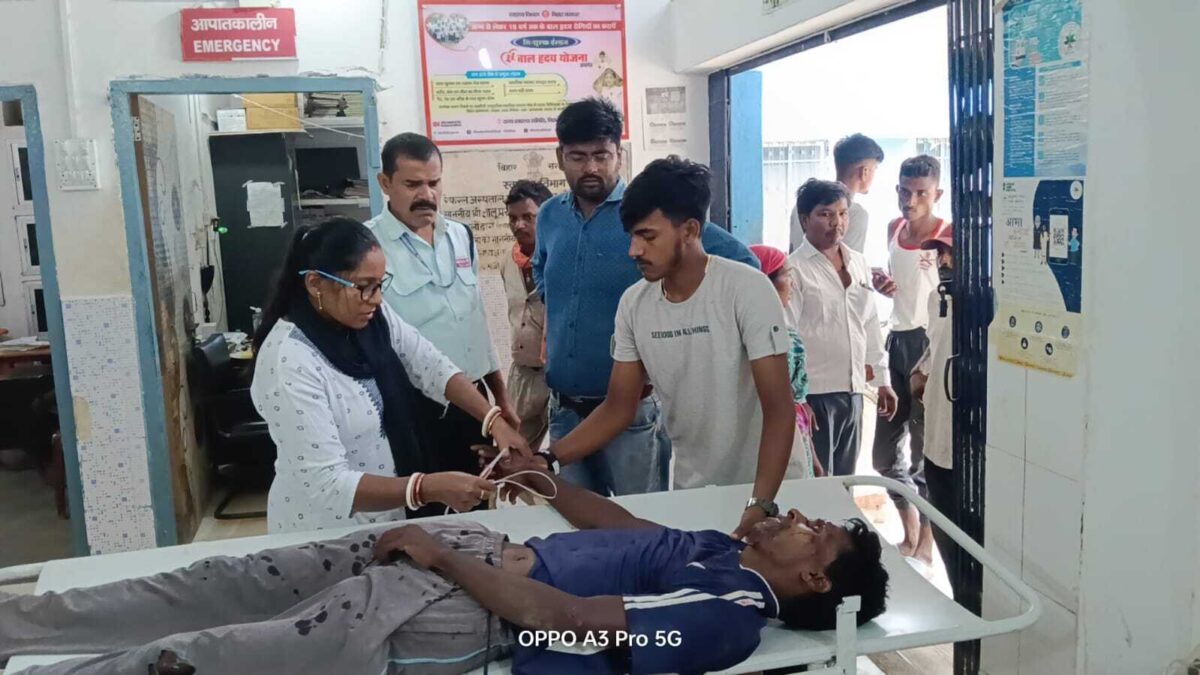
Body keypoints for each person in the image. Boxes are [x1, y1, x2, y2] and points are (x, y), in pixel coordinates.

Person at [0, 454, 890, 675]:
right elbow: (624, 526)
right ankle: (16, 627)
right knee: (208, 584)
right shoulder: (720, 549)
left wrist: (434, 550)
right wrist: (544, 475)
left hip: (463, 610)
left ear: (814, 580)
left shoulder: (728, 617)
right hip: (469, 557)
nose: (800, 517)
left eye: (816, 534)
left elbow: (567, 622)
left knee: (209, 655)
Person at [542, 156, 797, 539]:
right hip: (696, 489)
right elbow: (618, 408)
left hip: (772, 487)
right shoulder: (634, 304)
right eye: (632, 236)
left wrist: (761, 502)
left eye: (648, 237)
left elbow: (779, 409)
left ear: (690, 230)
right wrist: (547, 458)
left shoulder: (746, 289)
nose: (634, 250)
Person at [533, 98, 759, 497]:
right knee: (574, 520)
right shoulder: (550, 216)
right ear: (560, 157)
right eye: (578, 157)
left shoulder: (649, 213)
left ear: (619, 156)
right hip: (564, 410)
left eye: (601, 155)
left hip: (634, 414)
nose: (590, 168)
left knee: (639, 520)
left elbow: (742, 263)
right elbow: (542, 273)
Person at [249, 217, 530, 533]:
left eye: (380, 285)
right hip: (325, 529)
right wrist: (425, 488)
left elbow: (431, 364)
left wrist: (494, 421)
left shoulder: (373, 319)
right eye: (363, 287)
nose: (376, 298)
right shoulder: (289, 359)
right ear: (315, 283)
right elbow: (326, 483)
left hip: (387, 517)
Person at [367, 133, 516, 499]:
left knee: (476, 501)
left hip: (472, 403)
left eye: (434, 183)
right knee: (422, 507)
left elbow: (476, 324)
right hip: (411, 405)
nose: (427, 195)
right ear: (385, 183)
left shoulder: (460, 235)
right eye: (412, 184)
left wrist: (500, 399)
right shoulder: (367, 245)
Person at [785, 179, 898, 477]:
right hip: (815, 396)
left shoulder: (858, 263)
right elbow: (787, 338)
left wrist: (882, 380)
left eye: (843, 213)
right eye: (825, 214)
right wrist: (797, 401)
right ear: (804, 220)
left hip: (853, 392)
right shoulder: (794, 270)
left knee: (846, 481)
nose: (837, 223)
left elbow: (868, 324)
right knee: (819, 482)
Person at [870, 156, 951, 567]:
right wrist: (883, 285)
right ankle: (910, 532)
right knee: (883, 457)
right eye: (904, 191)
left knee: (925, 454)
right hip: (896, 339)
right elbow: (900, 285)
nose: (911, 200)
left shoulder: (947, 236)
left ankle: (927, 547)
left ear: (938, 194)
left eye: (921, 192)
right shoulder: (893, 229)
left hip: (929, 343)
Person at [910, 226, 959, 593]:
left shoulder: (988, 308)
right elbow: (934, 348)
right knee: (946, 535)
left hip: (964, 449)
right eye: (939, 253)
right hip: (936, 440)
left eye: (951, 253)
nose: (943, 261)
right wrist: (920, 371)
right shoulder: (937, 299)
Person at [750, 244, 825, 479]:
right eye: (787, 276)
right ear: (765, 283)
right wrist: (811, 457)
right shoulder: (784, 338)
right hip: (786, 442)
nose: (791, 284)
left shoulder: (734, 333)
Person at [500, 180, 554, 450]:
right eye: (513, 218)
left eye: (528, 217)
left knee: (566, 457)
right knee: (513, 455)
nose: (518, 225)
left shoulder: (561, 258)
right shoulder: (507, 261)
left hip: (558, 377)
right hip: (523, 374)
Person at [789, 134, 884, 254]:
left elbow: (791, 253)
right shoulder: (855, 213)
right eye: (875, 168)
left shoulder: (802, 205)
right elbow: (849, 263)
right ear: (864, 171)